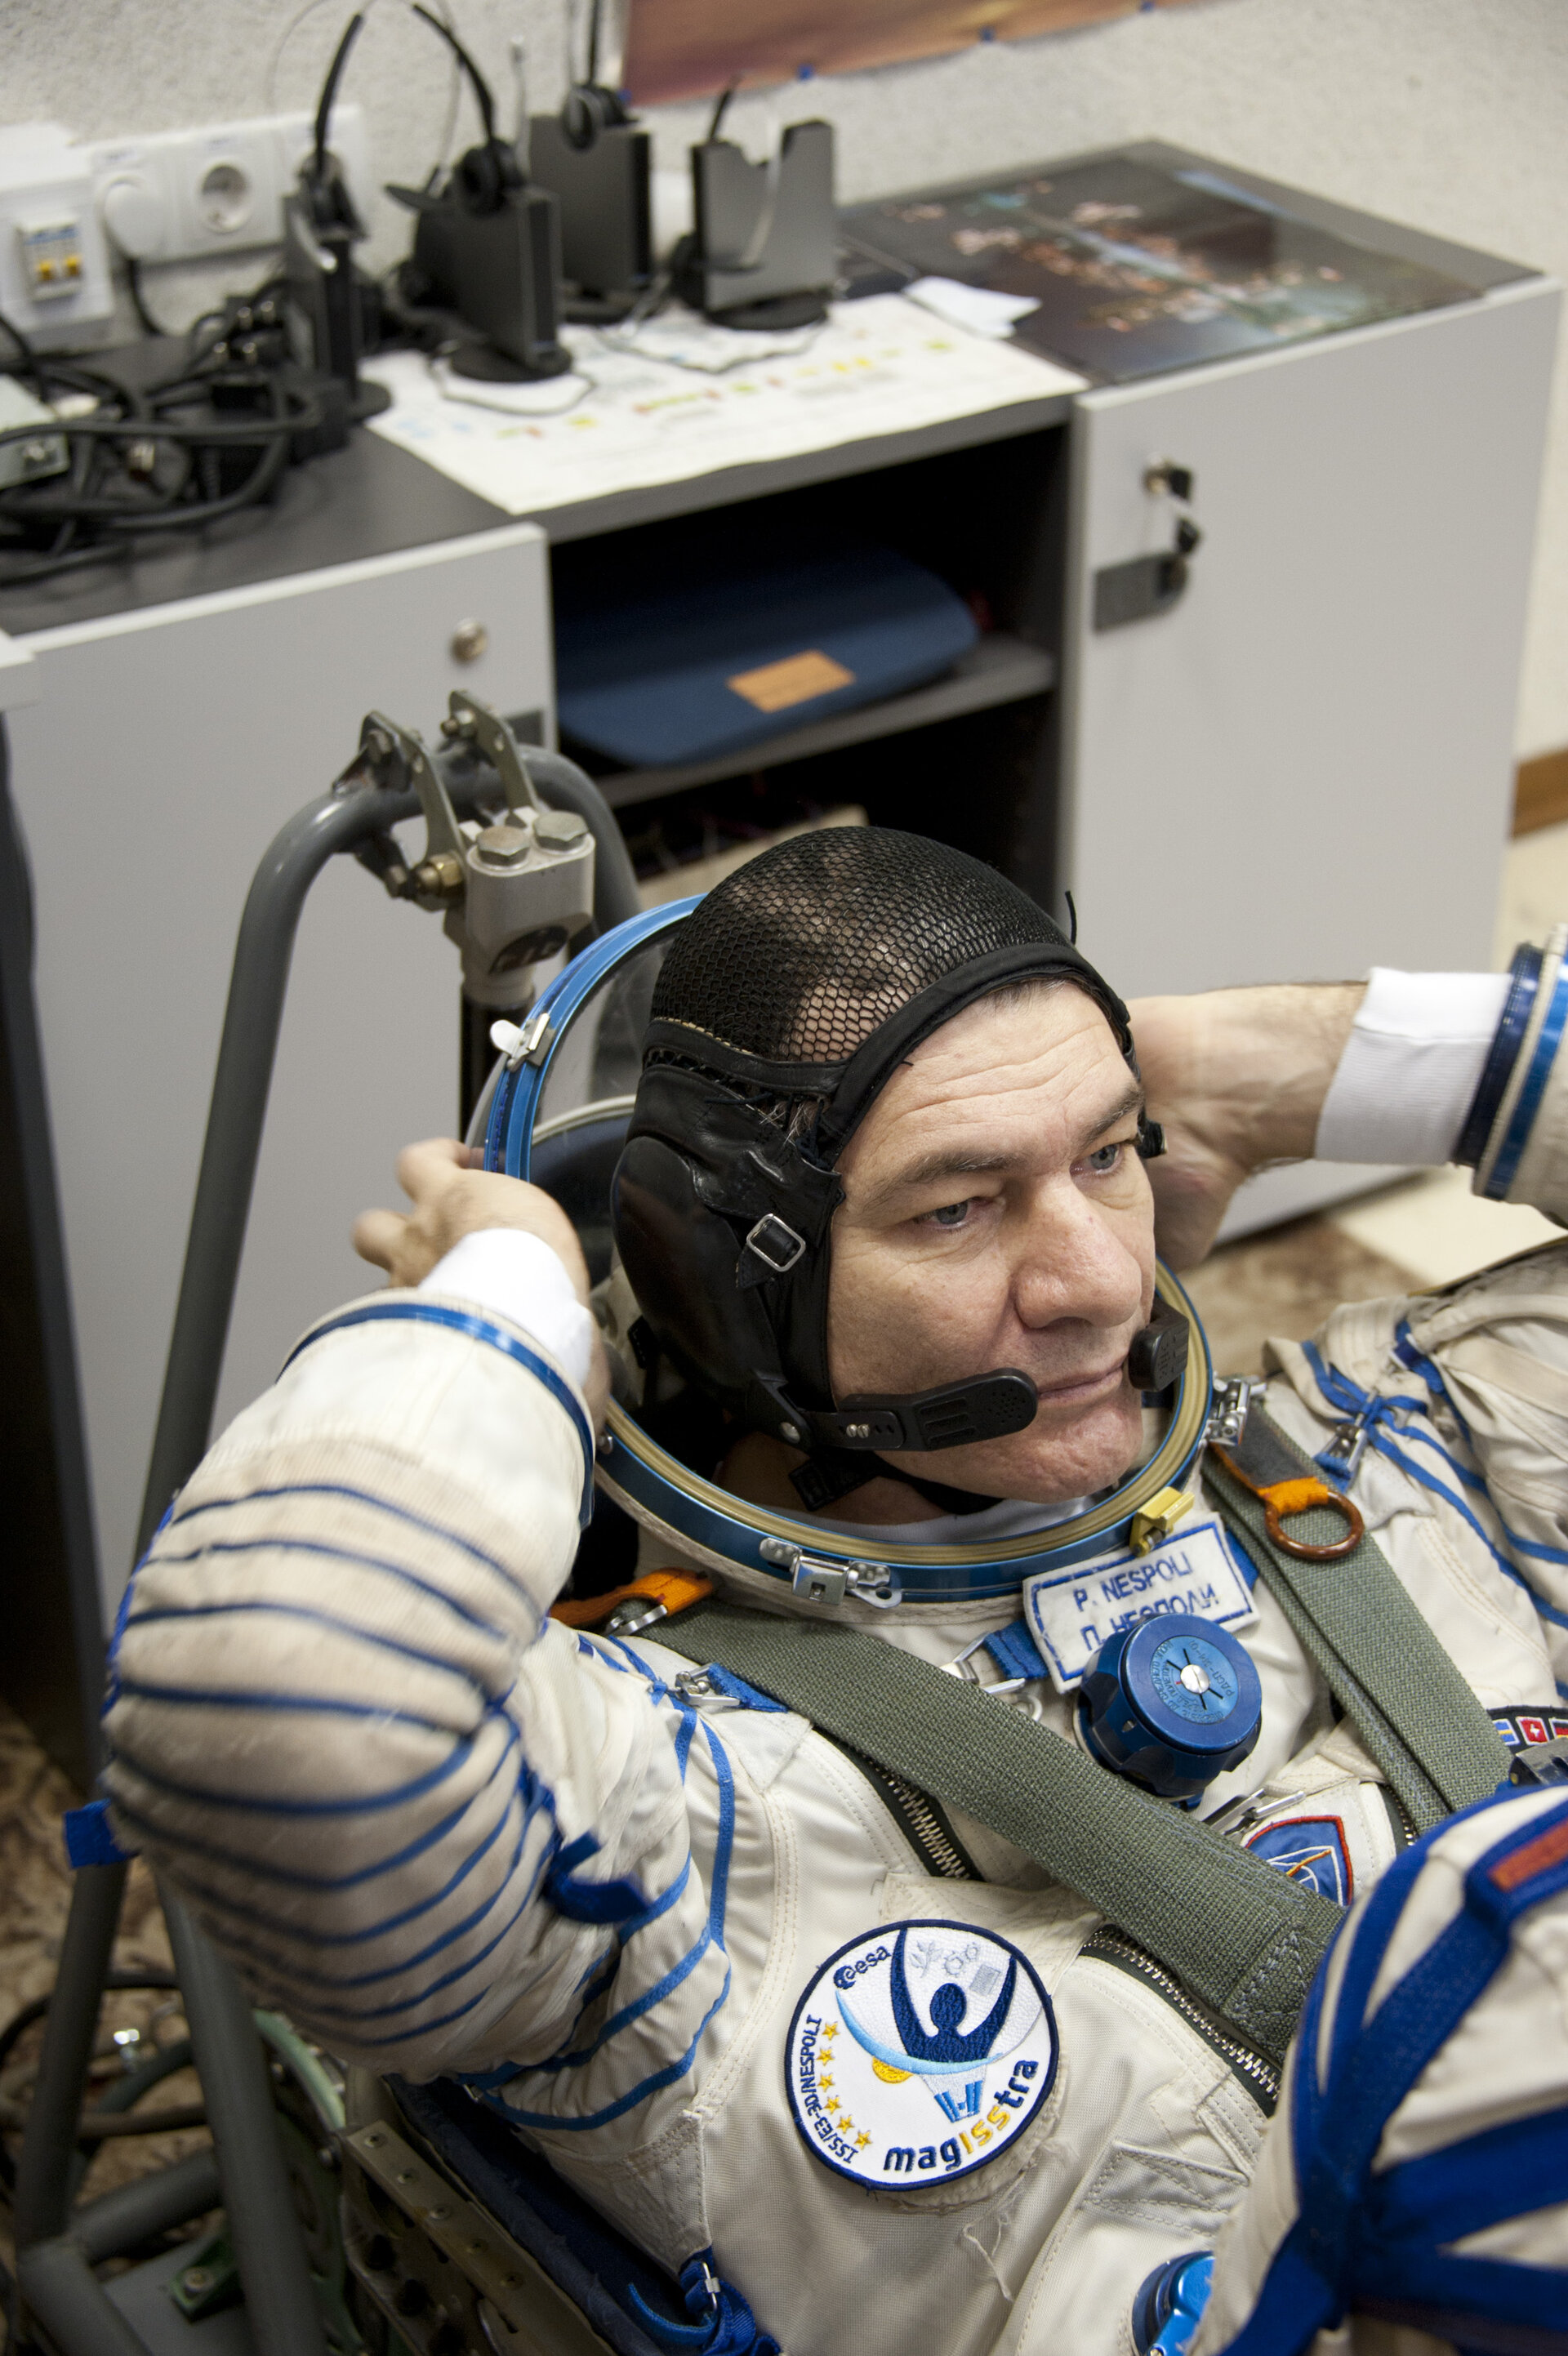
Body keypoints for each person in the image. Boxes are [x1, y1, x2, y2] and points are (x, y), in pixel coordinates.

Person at [103, 831, 1568, 2356]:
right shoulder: (671, 1810)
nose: (1104, 1283)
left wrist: (1271, 1067)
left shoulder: (1422, 1447)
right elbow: (276, 1698)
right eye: (957, 1208)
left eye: (1107, 1157)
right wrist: (510, 1294)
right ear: (733, 1276)